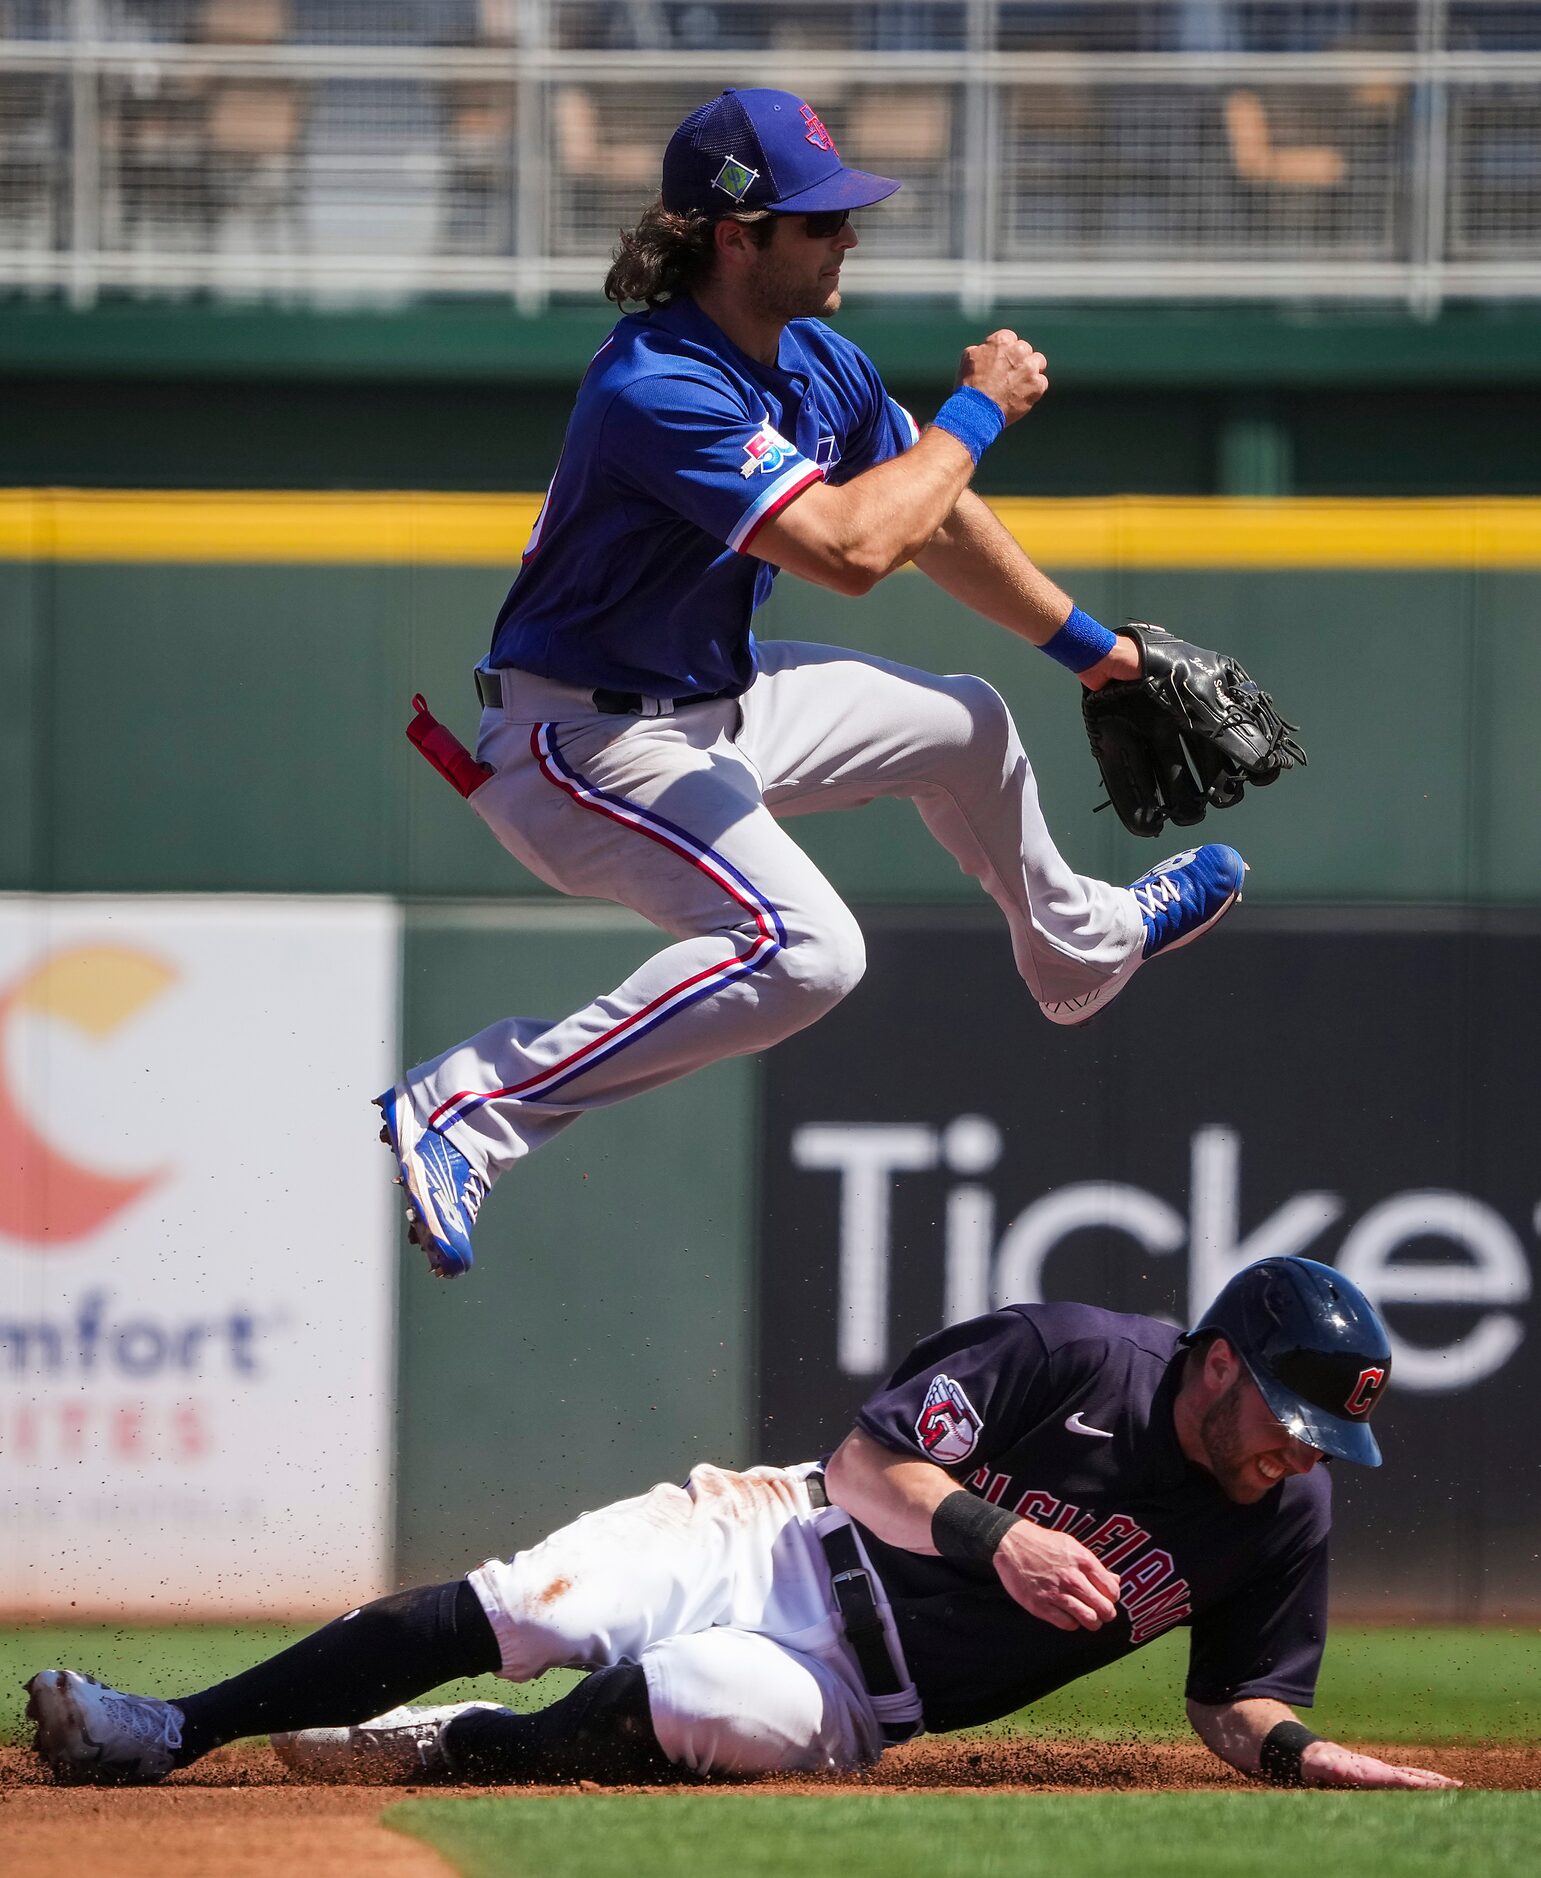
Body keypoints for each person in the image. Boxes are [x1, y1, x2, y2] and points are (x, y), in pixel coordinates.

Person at [376, 86, 1259, 1280]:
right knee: (807, 953)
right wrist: (975, 411)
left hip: (717, 702)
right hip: (581, 748)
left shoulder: (814, 360)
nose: (848, 235)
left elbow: (932, 522)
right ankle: (469, 1106)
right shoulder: (659, 384)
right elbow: (852, 552)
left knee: (965, 726)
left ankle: (1076, 951)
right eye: (818, 221)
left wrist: (1096, 653)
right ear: (730, 238)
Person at [26, 1258, 1456, 1792]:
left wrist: (1313, 1757)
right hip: (778, 1537)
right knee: (541, 1608)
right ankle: (172, 1726)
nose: (1296, 1449)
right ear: (1218, 1361)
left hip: (853, 1690)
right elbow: (865, 1463)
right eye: (1286, 1412)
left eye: (1322, 1435)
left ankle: (460, 1742)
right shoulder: (1077, 1354)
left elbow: (1236, 1695)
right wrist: (997, 1539)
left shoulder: (1285, 1513)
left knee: (691, 1703)